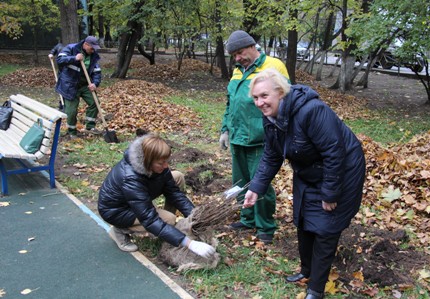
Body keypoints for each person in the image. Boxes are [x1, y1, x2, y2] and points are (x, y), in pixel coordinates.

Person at [243, 68, 366, 299]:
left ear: (280, 92)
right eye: (256, 97)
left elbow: (334, 152)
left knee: (326, 227)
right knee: (304, 218)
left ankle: (316, 290)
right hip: (308, 169)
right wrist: (256, 188)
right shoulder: (271, 118)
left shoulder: (312, 110)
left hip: (342, 170)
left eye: (264, 96)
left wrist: (330, 193)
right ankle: (307, 271)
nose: (259, 102)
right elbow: (271, 155)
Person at [219, 30, 290, 244]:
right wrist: (225, 129)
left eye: (240, 52)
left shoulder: (273, 65)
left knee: (261, 183)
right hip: (238, 138)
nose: (238, 58)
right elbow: (230, 102)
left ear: (252, 46)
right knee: (240, 182)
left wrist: (280, 132)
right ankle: (247, 218)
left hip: (262, 139)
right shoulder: (238, 72)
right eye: (234, 55)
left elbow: (286, 99)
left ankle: (265, 226)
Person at [98, 133, 216, 259]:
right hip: (117, 211)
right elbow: (150, 219)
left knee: (177, 177)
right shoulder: (131, 178)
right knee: (169, 219)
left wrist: (195, 217)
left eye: (166, 161)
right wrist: (189, 243)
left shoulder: (153, 165)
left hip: (136, 199)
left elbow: (174, 193)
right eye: (161, 163)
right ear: (147, 161)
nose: (166, 166)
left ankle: (165, 229)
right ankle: (120, 231)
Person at [55, 36, 102, 137]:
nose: (93, 50)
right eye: (92, 48)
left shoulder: (93, 56)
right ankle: (72, 131)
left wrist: (95, 83)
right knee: (71, 111)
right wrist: (74, 58)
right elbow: (59, 60)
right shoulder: (71, 48)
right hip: (70, 85)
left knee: (95, 103)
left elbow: (97, 72)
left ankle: (90, 127)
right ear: (86, 44)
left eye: (94, 48)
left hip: (85, 85)